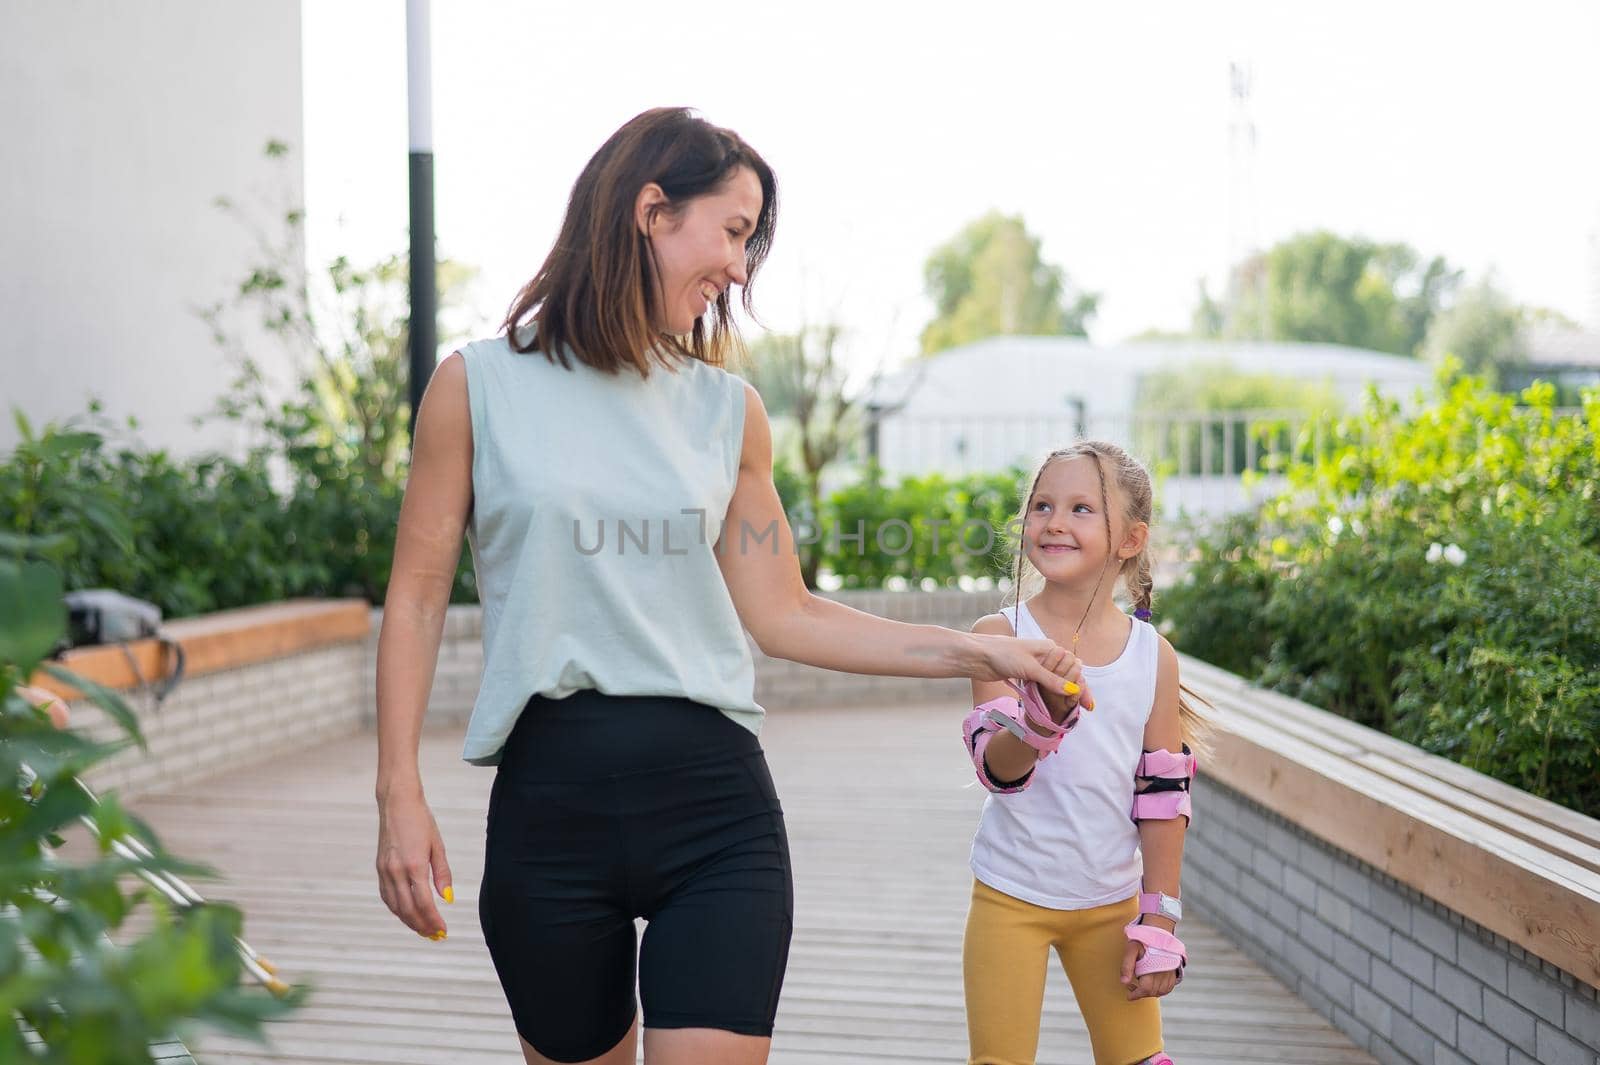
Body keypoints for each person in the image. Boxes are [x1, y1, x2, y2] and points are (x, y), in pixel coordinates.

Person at [373, 107, 1085, 1065]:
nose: (741, 271)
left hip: (714, 815)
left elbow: (785, 612)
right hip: (549, 815)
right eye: (736, 231)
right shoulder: (476, 386)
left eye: (752, 244)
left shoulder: (727, 412)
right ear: (652, 210)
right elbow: (415, 599)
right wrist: (397, 795)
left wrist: (981, 649)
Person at [958, 440, 1208, 1065]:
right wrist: (1041, 724)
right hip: (1010, 894)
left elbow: (1162, 799)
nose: (1055, 522)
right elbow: (996, 770)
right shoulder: (999, 638)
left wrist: (1160, 922)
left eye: (1080, 508)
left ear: (1130, 539)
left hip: (1111, 906)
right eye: (1042, 505)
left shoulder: (1155, 656)